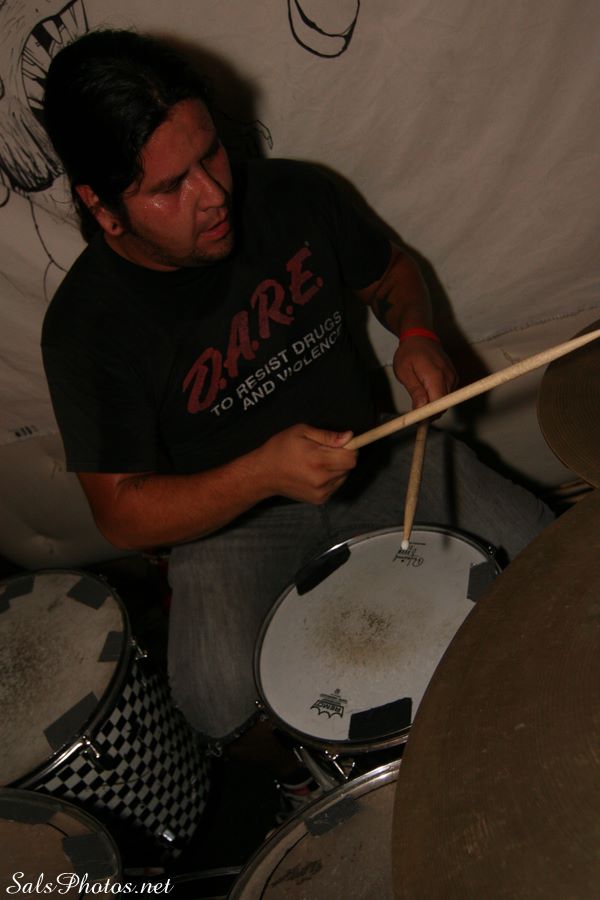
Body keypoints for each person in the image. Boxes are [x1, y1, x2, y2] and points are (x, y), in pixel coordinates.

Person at [41, 29, 552, 804]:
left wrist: (417, 333)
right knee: (214, 701)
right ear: (102, 208)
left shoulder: (294, 195)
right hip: (232, 523)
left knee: (539, 545)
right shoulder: (88, 328)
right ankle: (319, 788)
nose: (213, 194)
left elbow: (392, 274)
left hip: (374, 456)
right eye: (171, 186)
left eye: (211, 154)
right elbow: (121, 513)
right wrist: (259, 474)